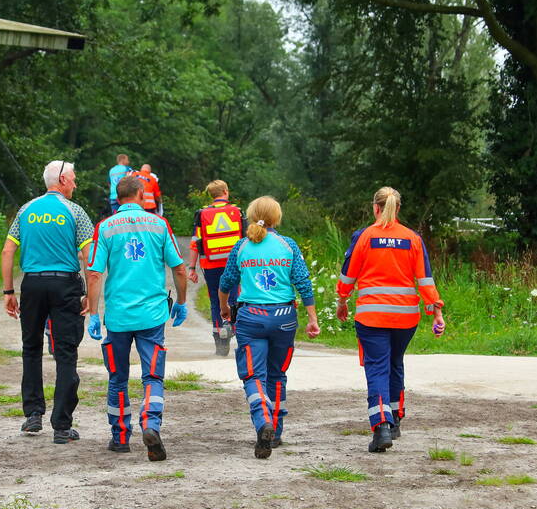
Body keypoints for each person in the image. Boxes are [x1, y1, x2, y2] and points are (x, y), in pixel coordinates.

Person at [85, 174, 189, 461]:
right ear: (142, 195)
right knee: (152, 375)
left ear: (117, 199)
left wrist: (93, 314)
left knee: (117, 377)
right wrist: (181, 302)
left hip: (118, 317)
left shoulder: (105, 227)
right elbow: (179, 268)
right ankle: (151, 424)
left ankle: (120, 437)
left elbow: (94, 274)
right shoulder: (159, 224)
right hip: (152, 316)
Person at [335, 187, 446, 453]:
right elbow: (425, 279)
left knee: (377, 368)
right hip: (405, 318)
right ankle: (395, 420)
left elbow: (348, 276)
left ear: (375, 207)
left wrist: (342, 301)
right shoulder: (412, 238)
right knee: (395, 363)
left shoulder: (364, 236)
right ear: (397, 208)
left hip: (372, 317)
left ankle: (381, 426)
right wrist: (436, 311)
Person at [1, 160, 95, 444]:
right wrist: (92, 295)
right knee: (66, 352)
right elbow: (88, 257)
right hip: (65, 285)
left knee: (31, 348)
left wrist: (8, 291)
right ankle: (62, 426)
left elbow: (7, 251)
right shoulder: (75, 212)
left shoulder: (26, 210)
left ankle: (33, 414)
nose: (75, 184)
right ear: (63, 180)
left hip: (32, 284)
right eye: (73, 179)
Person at [219, 196, 320, 459]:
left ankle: (262, 420)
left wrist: (224, 308)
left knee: (254, 376)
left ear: (251, 216)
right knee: (277, 375)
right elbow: (303, 283)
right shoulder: (288, 245)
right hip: (284, 318)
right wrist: (312, 318)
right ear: (277, 217)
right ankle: (274, 432)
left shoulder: (242, 246)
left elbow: (226, 281)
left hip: (250, 318)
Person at [188, 179, 246, 356]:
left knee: (215, 300)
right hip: (233, 264)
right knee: (234, 297)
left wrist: (192, 268)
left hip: (210, 264)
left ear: (211, 195)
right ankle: (232, 328)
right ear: (226, 192)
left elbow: (195, 243)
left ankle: (220, 343)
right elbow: (246, 239)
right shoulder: (237, 212)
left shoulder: (202, 214)